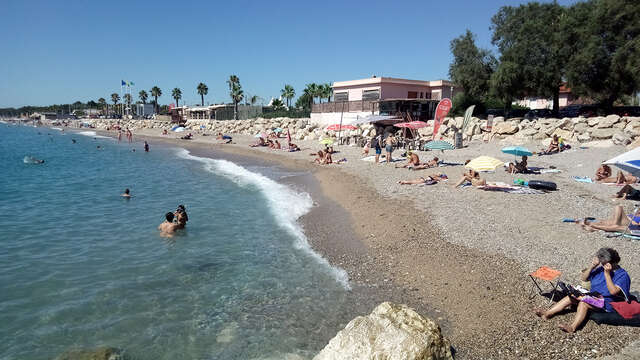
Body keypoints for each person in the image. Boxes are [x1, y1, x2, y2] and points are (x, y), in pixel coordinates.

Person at [534, 248, 630, 333]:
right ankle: (547, 314)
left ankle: (572, 327)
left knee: (584, 303)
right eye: (602, 263)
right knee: (571, 296)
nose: (603, 265)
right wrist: (592, 266)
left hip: (606, 303)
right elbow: (584, 278)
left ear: (612, 263)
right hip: (593, 296)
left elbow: (613, 292)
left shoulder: (622, 275)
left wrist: (607, 273)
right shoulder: (601, 269)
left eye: (604, 263)